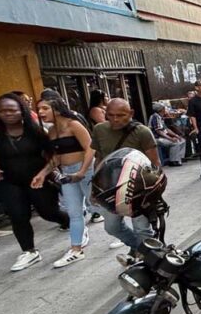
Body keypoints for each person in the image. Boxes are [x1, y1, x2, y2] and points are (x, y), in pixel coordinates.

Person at [0, 93, 70, 272]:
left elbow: (53, 156)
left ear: (22, 111)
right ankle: (29, 251)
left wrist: (45, 174)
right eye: (2, 111)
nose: (8, 114)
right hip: (9, 181)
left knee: (48, 212)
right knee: (18, 216)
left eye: (12, 110)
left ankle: (69, 221)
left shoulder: (37, 131)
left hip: (38, 179)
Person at [91, 98, 160, 254]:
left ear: (131, 113)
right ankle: (139, 249)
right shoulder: (100, 130)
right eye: (111, 115)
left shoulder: (142, 132)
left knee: (142, 228)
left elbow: (155, 164)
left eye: (121, 115)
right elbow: (99, 159)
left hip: (138, 188)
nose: (115, 119)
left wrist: (152, 193)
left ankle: (148, 259)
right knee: (111, 227)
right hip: (110, 188)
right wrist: (95, 190)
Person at [38, 98, 95, 268]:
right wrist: (42, 174)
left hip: (85, 169)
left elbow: (90, 148)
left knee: (96, 206)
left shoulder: (74, 125)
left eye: (44, 108)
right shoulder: (52, 131)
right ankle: (76, 249)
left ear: (56, 109)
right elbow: (56, 158)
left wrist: (83, 171)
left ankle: (122, 232)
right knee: (74, 213)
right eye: (38, 109)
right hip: (67, 174)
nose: (40, 112)